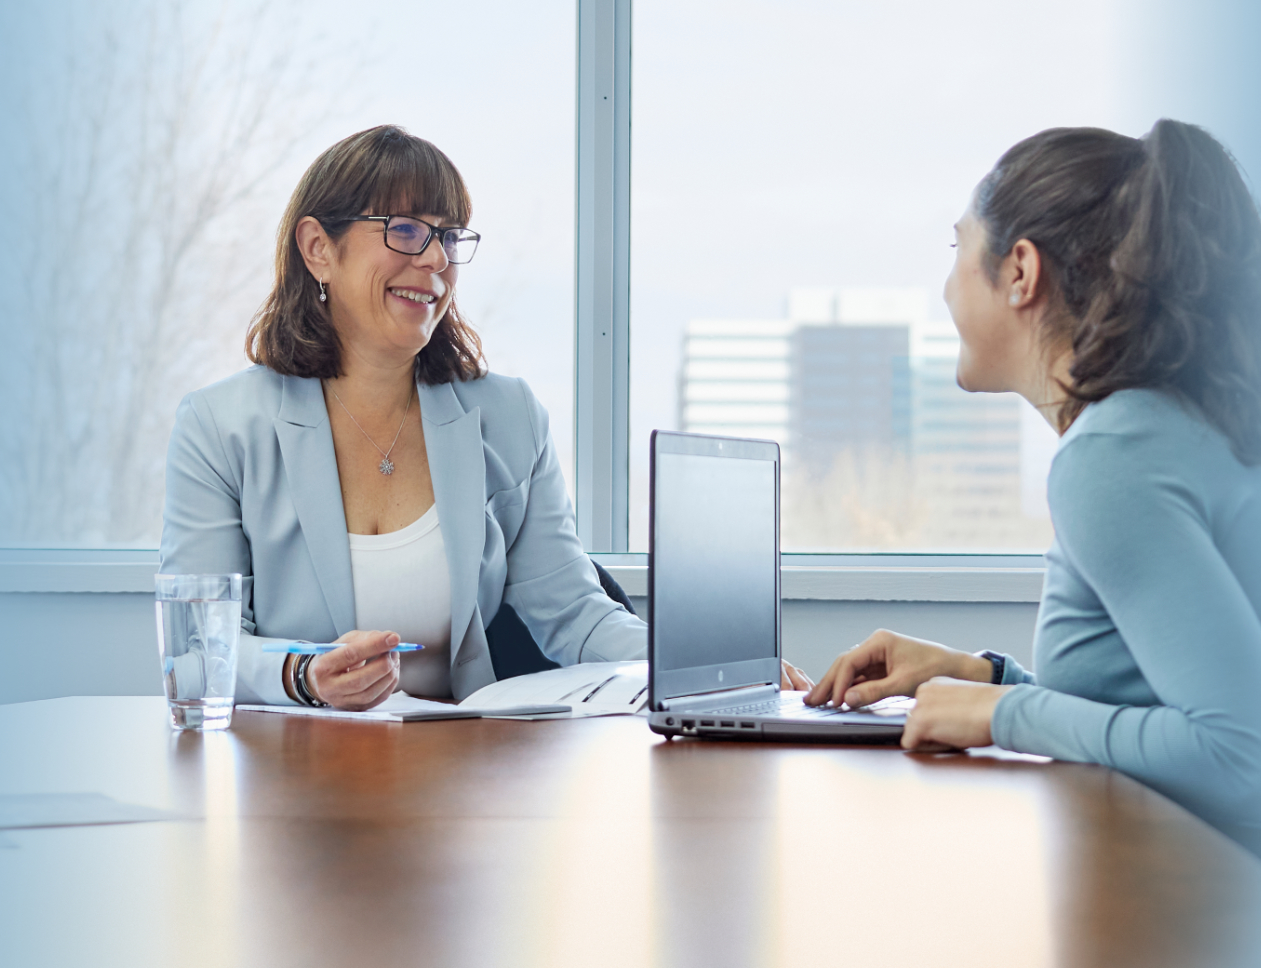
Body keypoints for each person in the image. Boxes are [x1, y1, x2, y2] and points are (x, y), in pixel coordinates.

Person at [160, 124, 811, 712]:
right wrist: (303, 674)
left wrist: (698, 670)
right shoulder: (221, 426)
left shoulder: (507, 416)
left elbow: (575, 616)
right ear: (317, 248)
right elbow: (195, 650)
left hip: (461, 766)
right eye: (405, 229)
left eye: (447, 236)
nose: (436, 259)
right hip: (288, 771)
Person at [805, 120, 1261, 855]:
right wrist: (982, 677)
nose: (946, 283)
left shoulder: (1110, 456)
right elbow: (1144, 707)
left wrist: (998, 715)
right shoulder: (1163, 425)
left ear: (1019, 271)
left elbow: (1241, 753)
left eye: (957, 249)